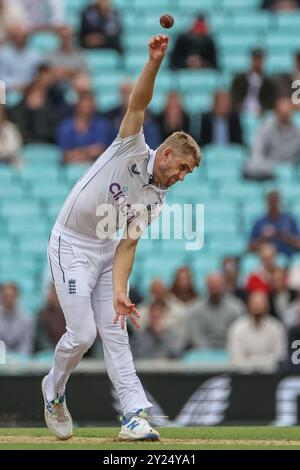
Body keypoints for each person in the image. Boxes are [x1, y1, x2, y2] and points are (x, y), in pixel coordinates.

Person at [42, 34, 201, 442]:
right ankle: (54, 391)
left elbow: (128, 244)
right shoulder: (130, 147)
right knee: (82, 335)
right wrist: (154, 62)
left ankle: (135, 416)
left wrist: (118, 291)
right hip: (71, 243)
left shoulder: (157, 199)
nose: (181, 177)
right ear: (165, 154)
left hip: (107, 250)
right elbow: (140, 103)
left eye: (188, 173)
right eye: (182, 167)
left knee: (115, 329)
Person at [248, 190, 300, 258]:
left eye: (275, 200)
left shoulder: (289, 220)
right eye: (271, 201)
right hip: (266, 261)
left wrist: (283, 235)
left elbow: (298, 244)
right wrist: (264, 238)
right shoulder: (259, 222)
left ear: (279, 201)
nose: (273, 204)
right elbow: (249, 247)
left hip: (287, 258)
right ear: (267, 202)